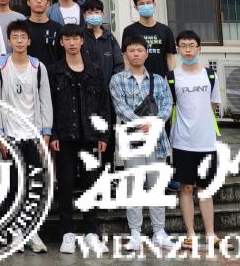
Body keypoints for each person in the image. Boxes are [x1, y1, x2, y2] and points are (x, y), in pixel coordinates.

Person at [109, 35, 176, 254]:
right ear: (125, 55)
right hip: (132, 140)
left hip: (156, 139)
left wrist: (154, 123)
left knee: (157, 186)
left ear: (146, 54)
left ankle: (159, 231)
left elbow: (167, 104)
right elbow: (120, 107)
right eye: (132, 50)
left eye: (140, 50)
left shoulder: (158, 80)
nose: (136, 54)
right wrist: (141, 123)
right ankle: (135, 232)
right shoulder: (117, 80)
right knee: (134, 187)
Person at [0, 20, 51, 254]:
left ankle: (32, 232)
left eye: (23, 37)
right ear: (8, 40)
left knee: (34, 186)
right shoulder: (0, 66)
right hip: (10, 135)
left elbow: (45, 100)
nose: (19, 41)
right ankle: (15, 233)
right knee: (12, 186)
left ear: (29, 41)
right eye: (14, 37)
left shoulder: (38, 67)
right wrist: (0, 134)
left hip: (33, 134)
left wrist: (45, 133)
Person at [48, 24, 110, 255]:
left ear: (82, 41)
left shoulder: (95, 71)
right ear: (61, 42)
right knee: (65, 185)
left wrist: (103, 134)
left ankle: (91, 232)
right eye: (67, 39)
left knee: (90, 184)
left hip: (90, 136)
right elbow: (49, 105)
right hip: (64, 136)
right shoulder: (54, 71)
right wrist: (53, 133)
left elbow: (103, 104)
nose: (72, 42)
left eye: (76, 38)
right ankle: (67, 232)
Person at [170, 30, 221, 249]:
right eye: (183, 46)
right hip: (182, 141)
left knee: (205, 189)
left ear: (199, 49)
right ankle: (190, 234)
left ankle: (211, 234)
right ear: (178, 49)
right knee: (186, 188)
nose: (188, 50)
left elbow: (213, 105)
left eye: (192, 45)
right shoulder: (172, 76)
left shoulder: (210, 75)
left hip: (206, 141)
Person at [122, 0, 176, 79]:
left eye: (148, 3)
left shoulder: (165, 30)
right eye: (141, 4)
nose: (145, 6)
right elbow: (126, 57)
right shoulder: (129, 30)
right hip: (136, 79)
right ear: (136, 7)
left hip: (160, 79)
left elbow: (170, 57)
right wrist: (127, 78)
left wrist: (172, 78)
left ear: (154, 5)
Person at [23, 0, 63, 69]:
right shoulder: (22, 28)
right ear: (28, 2)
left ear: (48, 3)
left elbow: (62, 56)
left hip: (52, 74)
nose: (39, 1)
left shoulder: (58, 28)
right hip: (27, 73)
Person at [81, 0, 122, 79]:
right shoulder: (79, 37)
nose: (93, 15)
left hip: (107, 85)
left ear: (102, 14)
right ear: (84, 15)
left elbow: (119, 64)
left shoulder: (110, 38)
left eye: (96, 12)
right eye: (90, 13)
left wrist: (113, 83)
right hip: (85, 85)